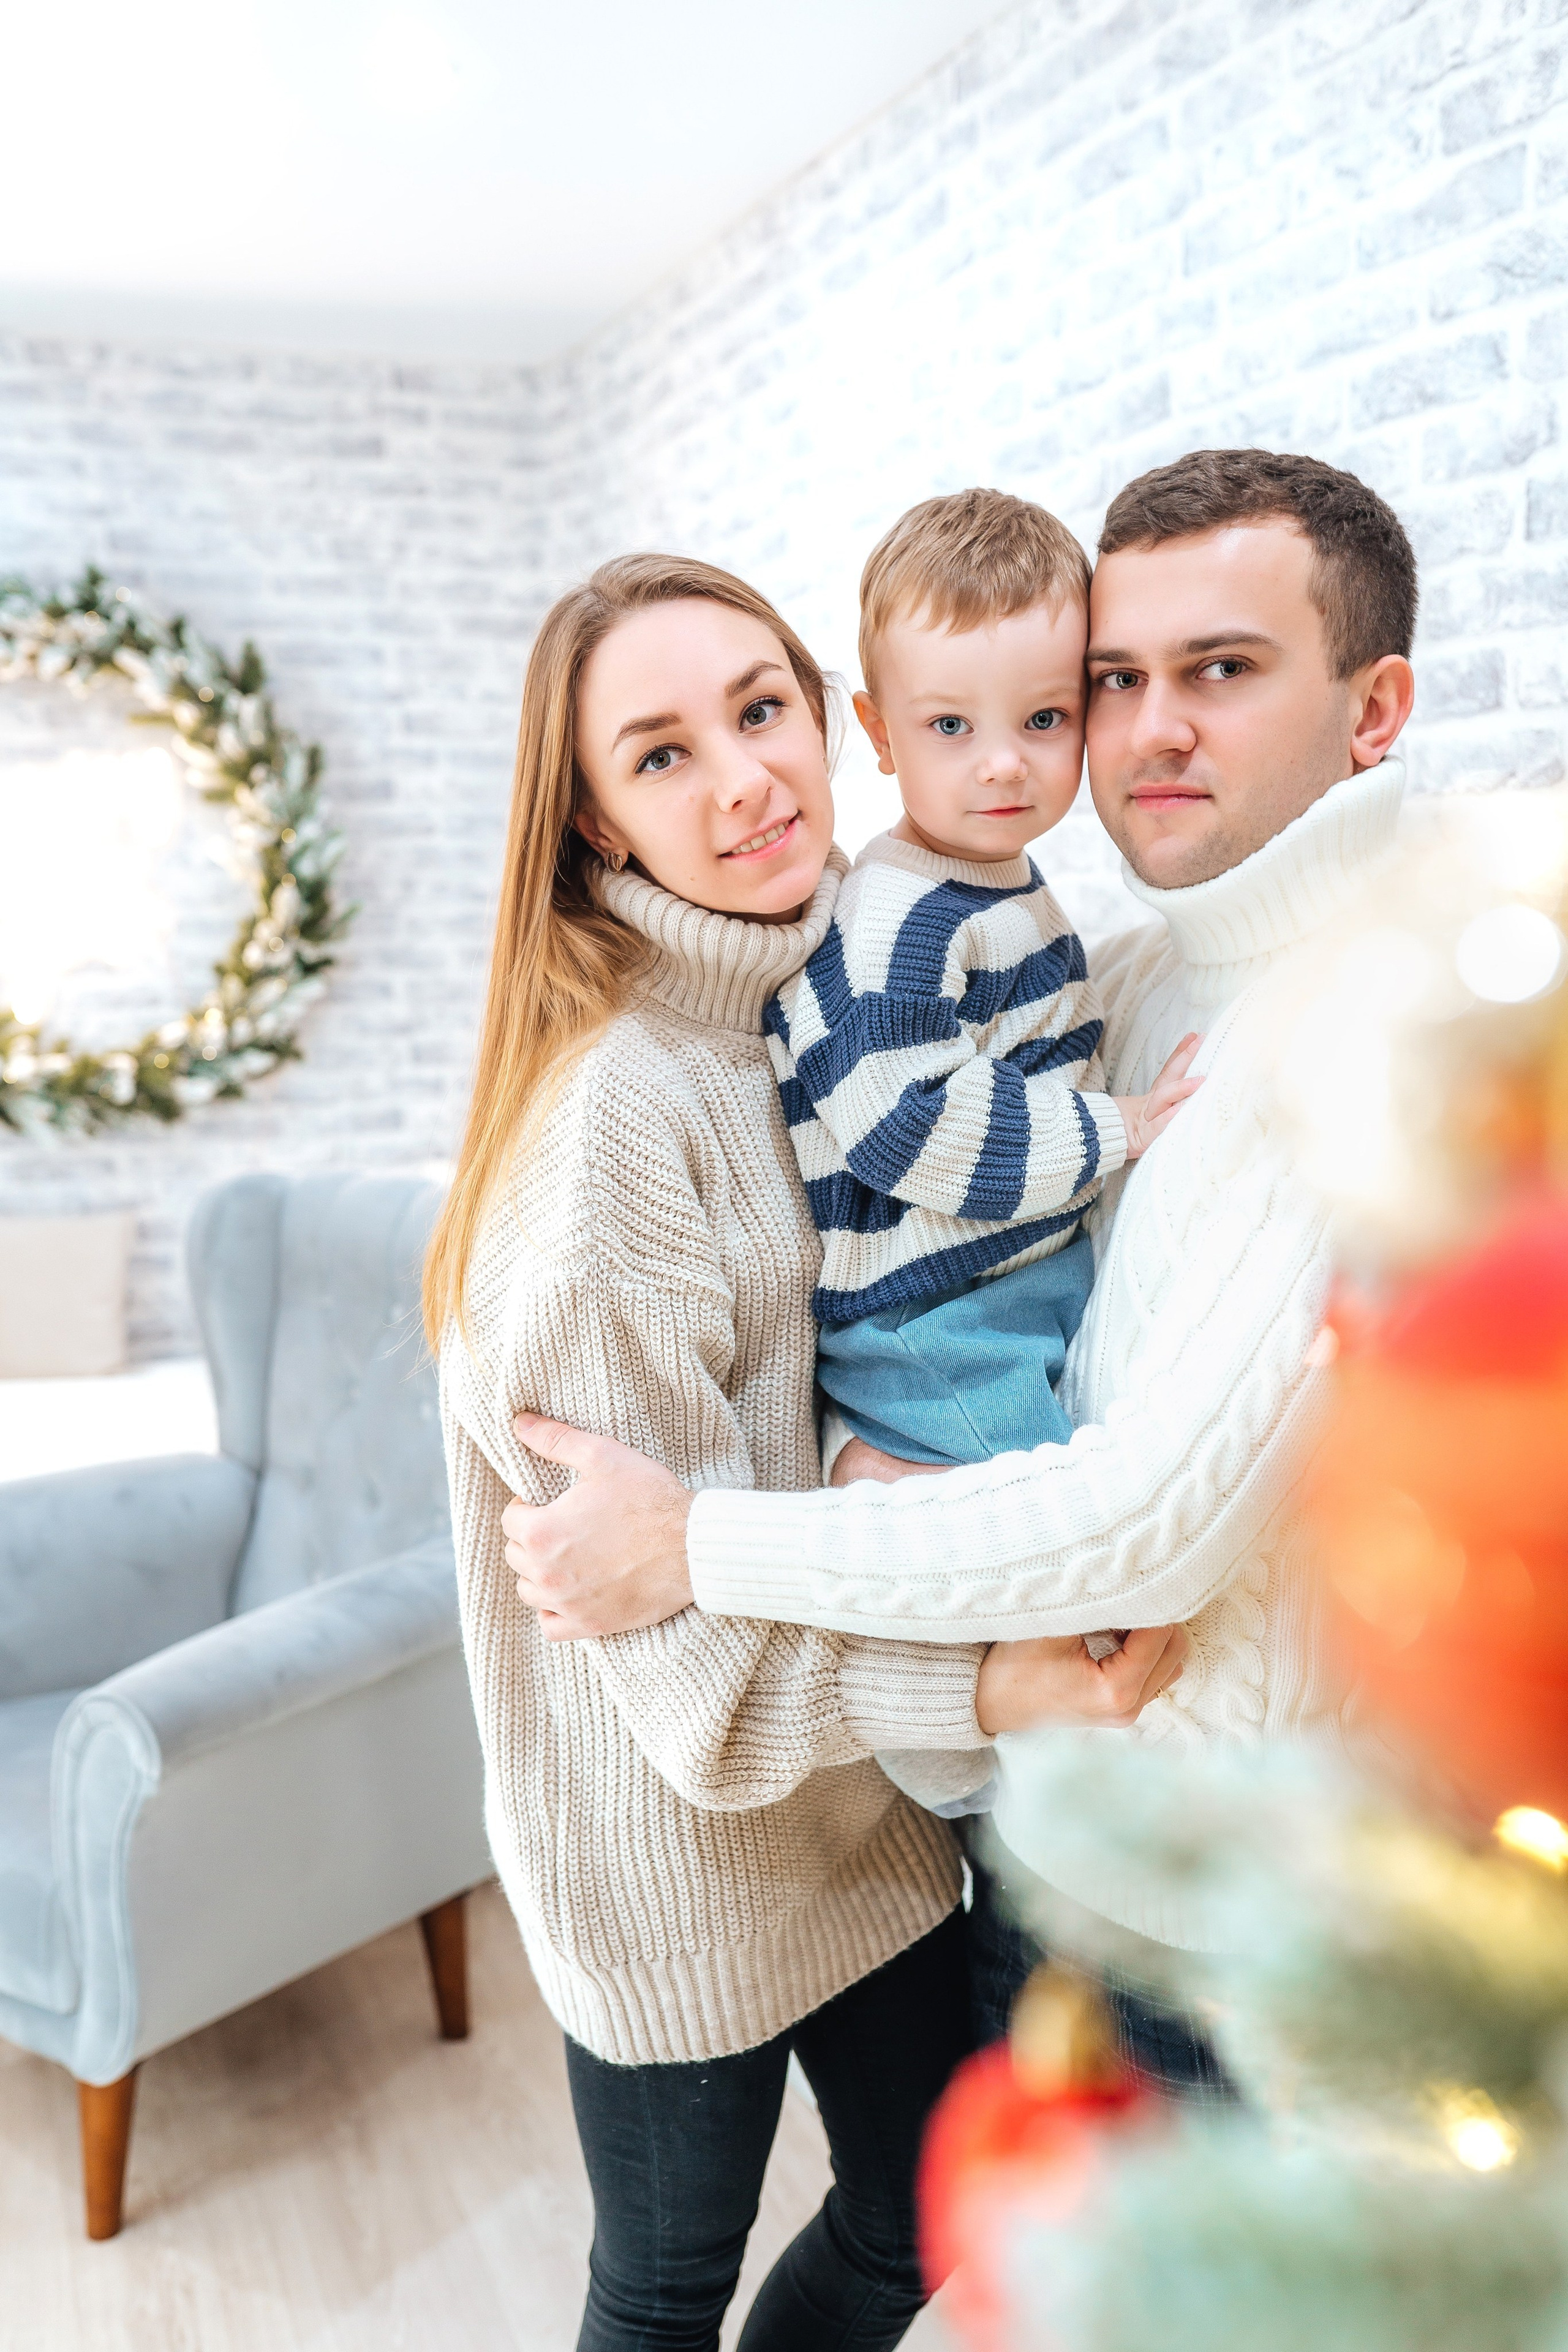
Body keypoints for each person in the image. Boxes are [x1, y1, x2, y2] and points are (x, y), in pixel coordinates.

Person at [496, 449, 1420, 2093]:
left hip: (1211, 1938)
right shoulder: (1136, 970)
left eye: (1219, 670)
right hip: (1035, 1858)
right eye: (1115, 681)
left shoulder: (1372, 1027)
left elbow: (1144, 1523)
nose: (1143, 734)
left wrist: (695, 1541)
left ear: (1375, 710)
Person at [426, 550, 1187, 2352]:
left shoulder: (822, 988)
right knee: (661, 2289)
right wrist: (991, 1685)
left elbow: (850, 1337)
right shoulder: (614, 1113)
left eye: (758, 712)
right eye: (662, 754)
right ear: (595, 823)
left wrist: (855, 1475)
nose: (743, 779)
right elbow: (686, 1684)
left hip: (866, 1809)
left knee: (917, 2226)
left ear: (829, 720)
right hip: (679, 1851)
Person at [769, 487, 1200, 1487]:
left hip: (1003, 1288)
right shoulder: (899, 920)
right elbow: (906, 1124)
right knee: (1060, 1523)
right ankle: (870, 1476)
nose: (1004, 765)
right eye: (951, 726)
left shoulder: (991, 881)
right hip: (940, 1320)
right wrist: (1122, 1126)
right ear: (881, 734)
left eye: (1044, 719)